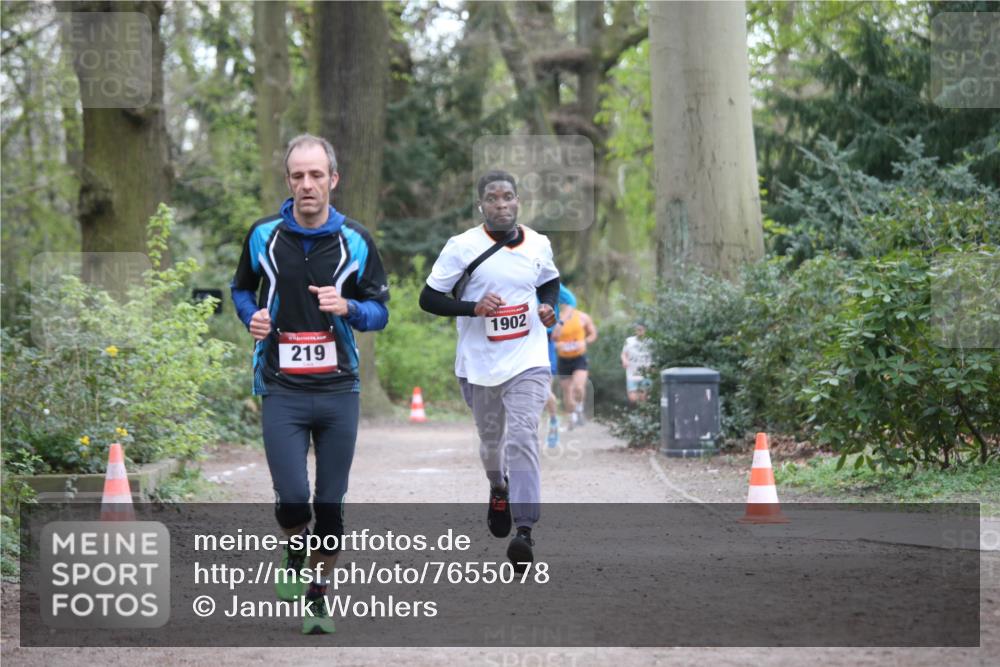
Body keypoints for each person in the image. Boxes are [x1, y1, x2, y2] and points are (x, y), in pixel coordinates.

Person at [230, 134, 390, 635]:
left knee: (331, 506)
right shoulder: (263, 236)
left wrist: (350, 307)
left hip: (340, 388)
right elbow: (240, 288)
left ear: (333, 180)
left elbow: (380, 311)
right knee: (293, 500)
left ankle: (318, 598)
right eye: (298, 175)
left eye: (316, 175)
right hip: (282, 388)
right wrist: (251, 316)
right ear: (288, 181)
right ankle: (294, 548)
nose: (307, 184)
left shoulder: (356, 240)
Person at [419, 169, 559, 571]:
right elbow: (429, 299)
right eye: (493, 198)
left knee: (523, 435)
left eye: (508, 197)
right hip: (480, 364)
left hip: (528, 359)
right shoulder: (462, 247)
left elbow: (549, 282)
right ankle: (499, 487)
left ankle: (525, 530)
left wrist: (549, 308)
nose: (502, 204)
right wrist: (473, 308)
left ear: (518, 201)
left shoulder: (538, 243)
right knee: (491, 444)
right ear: (481, 205)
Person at [552, 303, 597, 428]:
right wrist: (557, 345)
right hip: (563, 359)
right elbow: (550, 338)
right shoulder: (556, 319)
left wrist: (585, 342)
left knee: (579, 387)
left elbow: (593, 334)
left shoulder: (582, 317)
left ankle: (579, 409)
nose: (565, 305)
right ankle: (572, 418)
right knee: (567, 391)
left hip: (579, 357)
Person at [544, 284, 577, 447]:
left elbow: (571, 301)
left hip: (545, 339)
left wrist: (560, 323)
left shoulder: (544, 277)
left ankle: (553, 421)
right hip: (518, 340)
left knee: (544, 390)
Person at [621, 322, 653, 403]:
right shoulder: (629, 341)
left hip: (645, 374)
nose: (639, 332)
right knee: (633, 398)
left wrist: (653, 367)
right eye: (638, 330)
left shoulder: (650, 342)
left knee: (644, 398)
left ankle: (643, 410)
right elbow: (623, 354)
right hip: (632, 374)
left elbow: (656, 356)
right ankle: (639, 409)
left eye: (641, 330)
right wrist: (624, 360)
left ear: (645, 330)